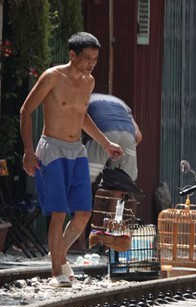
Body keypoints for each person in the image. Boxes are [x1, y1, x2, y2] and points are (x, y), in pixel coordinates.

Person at [20, 32, 124, 288]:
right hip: (52, 149)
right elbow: (26, 110)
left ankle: (60, 254)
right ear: (72, 55)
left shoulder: (89, 82)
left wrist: (105, 143)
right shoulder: (53, 77)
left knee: (83, 213)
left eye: (95, 59)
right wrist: (29, 151)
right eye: (87, 58)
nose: (91, 63)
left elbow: (81, 116)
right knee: (58, 212)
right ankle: (57, 272)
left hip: (76, 149)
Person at [86, 93, 142, 183]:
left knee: (87, 180)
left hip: (102, 133)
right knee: (124, 182)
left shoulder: (85, 99)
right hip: (128, 135)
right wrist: (128, 148)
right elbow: (138, 136)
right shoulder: (122, 104)